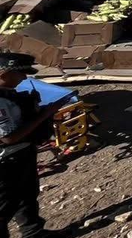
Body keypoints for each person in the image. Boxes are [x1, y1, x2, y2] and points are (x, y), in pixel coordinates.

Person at [1, 52, 70, 238]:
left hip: (21, 153)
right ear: (4, 73)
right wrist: (46, 114)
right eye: (20, 74)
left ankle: (33, 232)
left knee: (26, 194)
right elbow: (8, 138)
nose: (24, 78)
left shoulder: (7, 93)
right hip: (6, 160)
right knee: (5, 205)